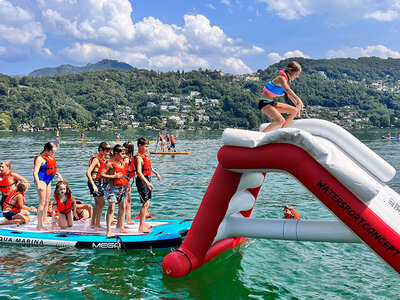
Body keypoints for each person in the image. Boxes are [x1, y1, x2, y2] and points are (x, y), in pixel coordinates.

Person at [259, 61, 304, 133]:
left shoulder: (286, 81)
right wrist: (298, 99)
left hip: (271, 103)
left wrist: (297, 105)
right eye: (297, 74)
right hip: (264, 103)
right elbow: (288, 90)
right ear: (292, 71)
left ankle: (282, 133)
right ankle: (260, 136)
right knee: (280, 121)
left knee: (294, 111)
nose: (297, 76)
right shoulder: (281, 78)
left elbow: (289, 94)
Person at [101, 144, 130, 237]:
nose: (124, 155)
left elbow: (124, 175)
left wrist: (127, 184)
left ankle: (121, 226)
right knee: (111, 207)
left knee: (122, 207)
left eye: (124, 153)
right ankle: (108, 230)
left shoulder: (122, 163)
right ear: (116, 154)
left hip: (122, 188)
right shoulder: (109, 163)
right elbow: (102, 174)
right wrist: (113, 176)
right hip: (112, 188)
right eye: (122, 153)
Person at [134, 136, 162, 233]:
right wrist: (147, 182)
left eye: (147, 146)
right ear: (139, 146)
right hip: (142, 181)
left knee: (146, 202)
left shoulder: (145, 156)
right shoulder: (138, 157)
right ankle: (141, 227)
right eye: (145, 146)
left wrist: (156, 173)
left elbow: (149, 168)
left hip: (147, 179)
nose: (147, 148)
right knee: (145, 203)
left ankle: (143, 222)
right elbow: (139, 172)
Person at [33, 142, 62, 231]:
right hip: (41, 181)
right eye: (52, 152)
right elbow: (35, 173)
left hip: (48, 180)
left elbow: (49, 169)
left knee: (47, 200)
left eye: (54, 152)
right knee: (42, 202)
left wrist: (58, 174)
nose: (53, 154)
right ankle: (39, 225)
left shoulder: (49, 157)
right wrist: (38, 184)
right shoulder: (40, 158)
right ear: (46, 150)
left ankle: (44, 218)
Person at [86, 142, 111, 231]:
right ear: (100, 150)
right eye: (106, 151)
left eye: (108, 152)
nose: (107, 153)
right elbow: (88, 172)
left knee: (97, 204)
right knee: (102, 203)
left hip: (97, 182)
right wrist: (93, 185)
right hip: (94, 182)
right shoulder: (96, 160)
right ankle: (97, 225)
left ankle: (93, 223)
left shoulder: (102, 159)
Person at [123, 141, 136, 225]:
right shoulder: (126, 159)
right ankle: (127, 219)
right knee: (126, 200)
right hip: (125, 181)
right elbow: (122, 168)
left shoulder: (125, 157)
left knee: (127, 200)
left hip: (125, 180)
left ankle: (127, 219)